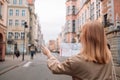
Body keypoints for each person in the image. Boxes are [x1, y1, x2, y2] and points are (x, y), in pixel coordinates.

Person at [41, 21, 113, 80]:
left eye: (81, 32)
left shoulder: (77, 60)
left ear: (85, 37)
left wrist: (48, 54)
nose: (80, 35)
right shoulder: (108, 56)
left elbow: (56, 68)